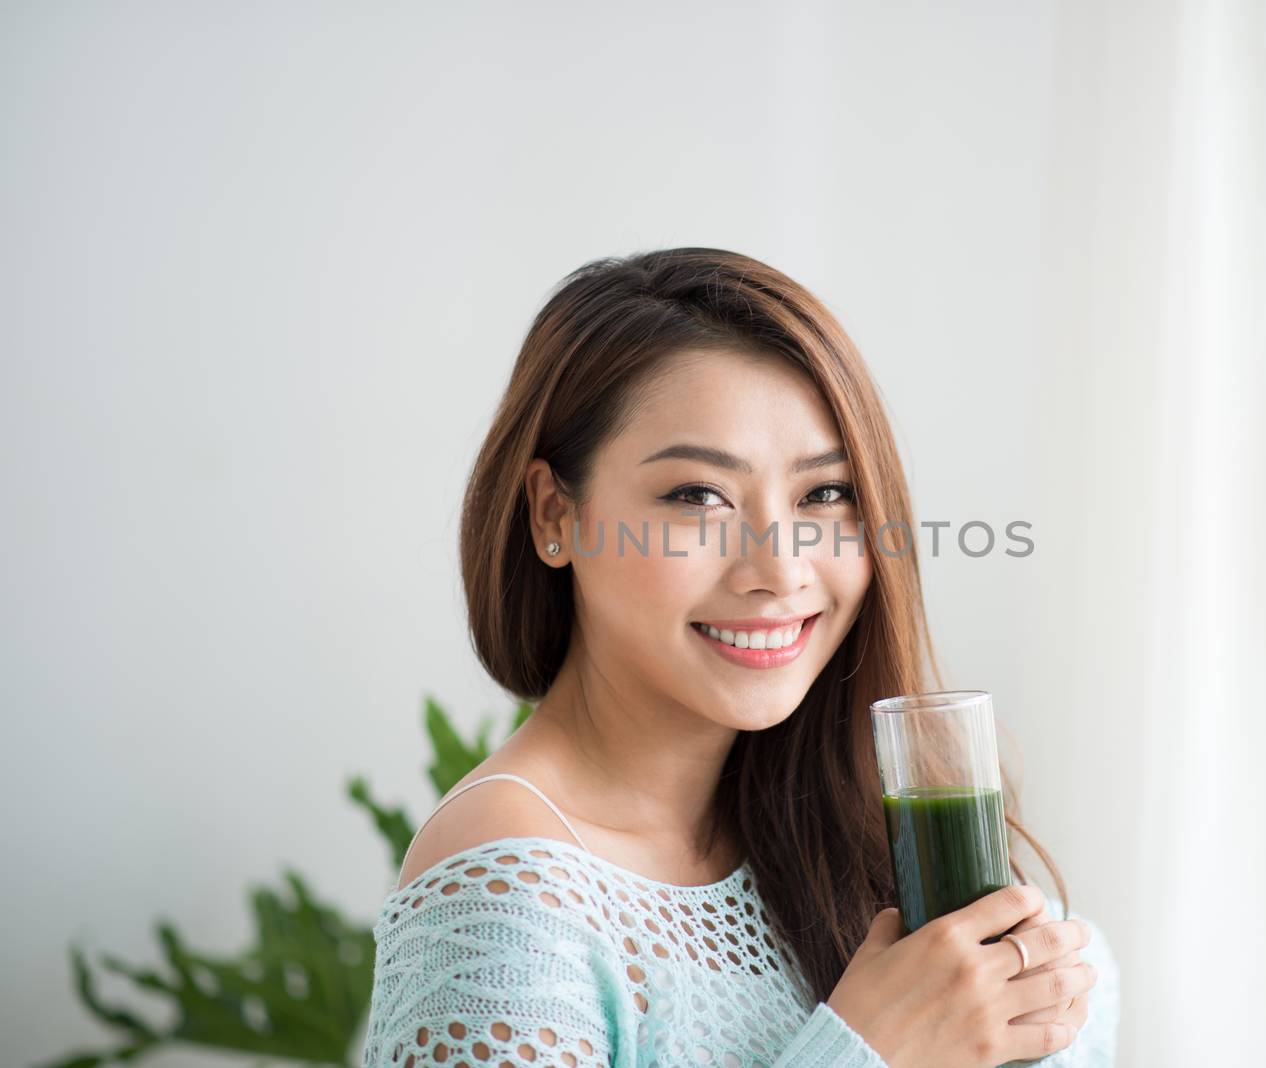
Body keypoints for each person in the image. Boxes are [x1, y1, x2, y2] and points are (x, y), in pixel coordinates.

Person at [359, 248, 1120, 1068]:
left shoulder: (835, 820)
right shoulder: (505, 891)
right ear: (555, 513)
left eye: (824, 494)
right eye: (698, 497)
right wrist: (870, 1052)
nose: (781, 571)